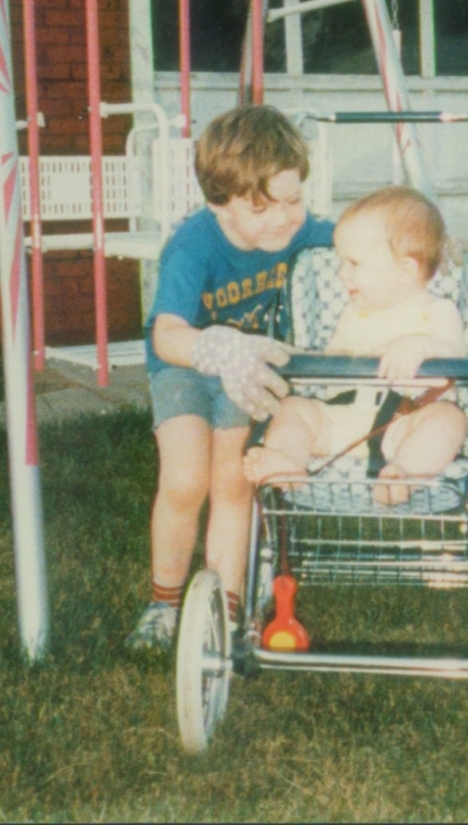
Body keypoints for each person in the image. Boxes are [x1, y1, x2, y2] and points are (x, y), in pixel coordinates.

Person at [126, 105, 334, 651]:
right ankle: (164, 603)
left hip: (250, 371)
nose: (284, 219)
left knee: (233, 482)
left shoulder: (304, 231)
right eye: (263, 207)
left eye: (293, 200)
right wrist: (216, 346)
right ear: (220, 202)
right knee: (185, 480)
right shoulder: (193, 244)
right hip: (188, 365)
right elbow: (167, 334)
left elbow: (369, 237)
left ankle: (226, 610)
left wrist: (428, 246)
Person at [243, 186, 468, 505]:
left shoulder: (437, 311)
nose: (341, 274)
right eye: (341, 262)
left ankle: (403, 474)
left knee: (449, 420)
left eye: (353, 263)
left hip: (405, 423)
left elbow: (457, 359)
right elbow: (331, 365)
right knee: (294, 409)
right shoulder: (352, 313)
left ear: (404, 271)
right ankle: (287, 461)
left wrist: (422, 346)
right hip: (344, 419)